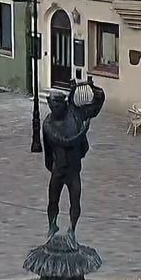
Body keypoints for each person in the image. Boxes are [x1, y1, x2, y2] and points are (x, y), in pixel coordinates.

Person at [42, 80, 106, 237]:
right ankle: (52, 226)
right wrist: (83, 132)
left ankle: (72, 230)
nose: (54, 110)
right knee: (52, 201)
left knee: (75, 201)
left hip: (73, 169)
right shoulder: (48, 124)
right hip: (58, 169)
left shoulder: (75, 113)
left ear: (63, 104)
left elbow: (96, 107)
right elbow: (63, 143)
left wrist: (95, 90)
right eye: (52, 107)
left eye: (57, 106)